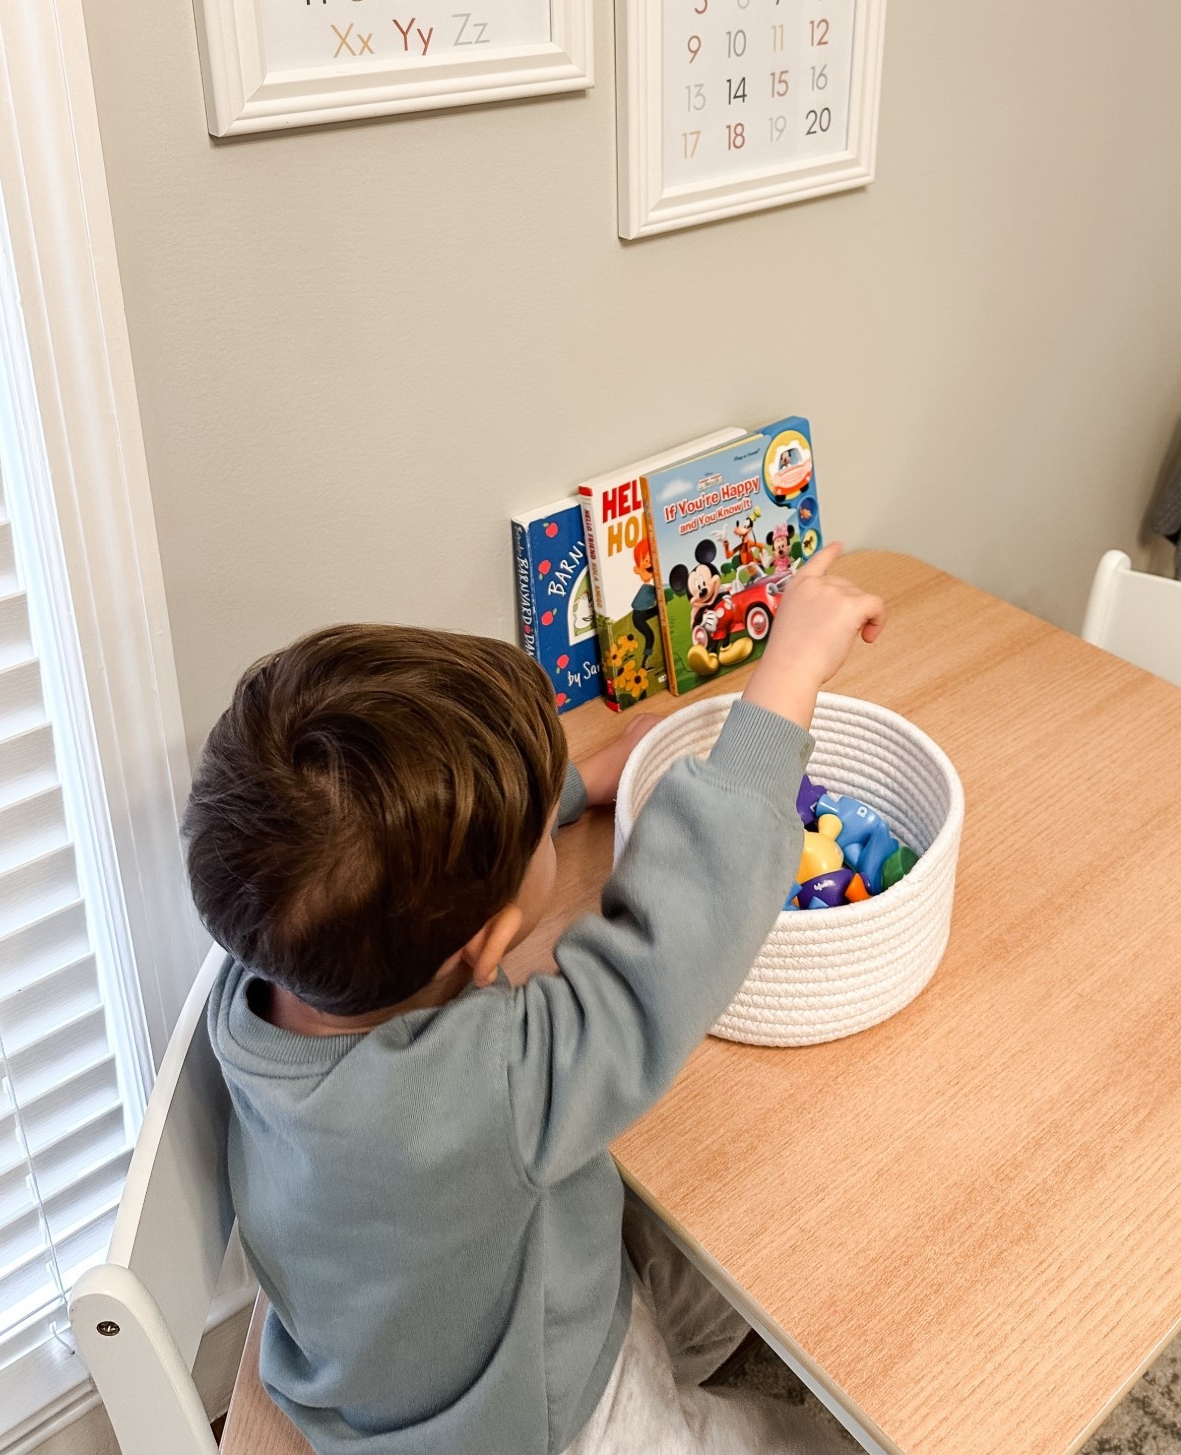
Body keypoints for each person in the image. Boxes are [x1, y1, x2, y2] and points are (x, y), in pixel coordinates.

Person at [184, 541, 883, 1454]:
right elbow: (669, 951)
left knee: (724, 1224)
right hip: (535, 1421)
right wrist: (788, 673)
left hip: (408, 1337)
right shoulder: (482, 1088)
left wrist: (580, 784)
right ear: (485, 945)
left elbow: (394, 850)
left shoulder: (269, 964)